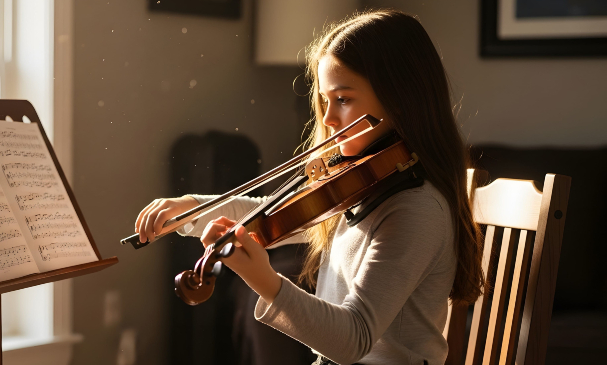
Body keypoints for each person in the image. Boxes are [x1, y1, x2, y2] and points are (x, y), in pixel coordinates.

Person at [135, 10, 485, 365]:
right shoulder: (360, 185)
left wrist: (265, 280)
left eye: (343, 99)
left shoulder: (416, 210)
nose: (329, 118)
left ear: (401, 99)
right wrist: (192, 209)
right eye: (324, 100)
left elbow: (354, 339)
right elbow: (272, 213)